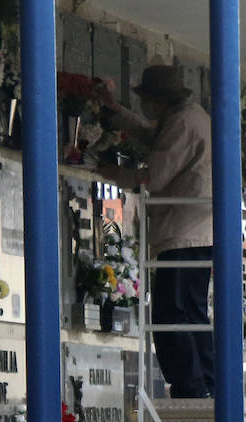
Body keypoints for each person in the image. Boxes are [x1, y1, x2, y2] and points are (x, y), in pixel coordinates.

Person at [100, 65, 213, 398]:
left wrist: (115, 173)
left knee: (170, 311)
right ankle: (206, 381)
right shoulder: (190, 116)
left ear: (155, 99)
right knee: (192, 311)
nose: (145, 106)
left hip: (181, 232)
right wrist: (115, 112)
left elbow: (157, 175)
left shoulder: (181, 122)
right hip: (199, 231)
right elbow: (155, 135)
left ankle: (189, 386)